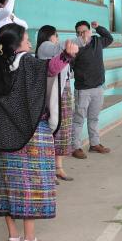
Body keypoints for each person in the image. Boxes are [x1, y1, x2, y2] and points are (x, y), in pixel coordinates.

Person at [0, 23, 78, 241]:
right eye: (26, 38)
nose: (29, 42)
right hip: (33, 135)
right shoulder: (27, 61)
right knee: (31, 187)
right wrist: (68, 54)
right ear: (17, 43)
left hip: (4, 136)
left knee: (7, 186)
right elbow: (51, 68)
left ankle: (12, 238)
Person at [36, 25, 75, 182]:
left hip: (63, 91)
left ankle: (58, 167)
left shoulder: (54, 49)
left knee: (63, 130)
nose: (57, 39)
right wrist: (81, 39)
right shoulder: (45, 47)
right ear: (48, 36)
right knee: (53, 128)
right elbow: (60, 49)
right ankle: (49, 169)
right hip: (52, 93)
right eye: (55, 35)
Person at [70, 20, 113, 159]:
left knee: (94, 118)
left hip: (98, 87)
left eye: (84, 31)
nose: (82, 34)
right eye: (79, 32)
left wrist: (98, 28)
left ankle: (94, 144)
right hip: (83, 89)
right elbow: (71, 65)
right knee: (78, 119)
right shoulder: (75, 47)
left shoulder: (97, 41)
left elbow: (109, 38)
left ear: (89, 31)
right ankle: (75, 147)